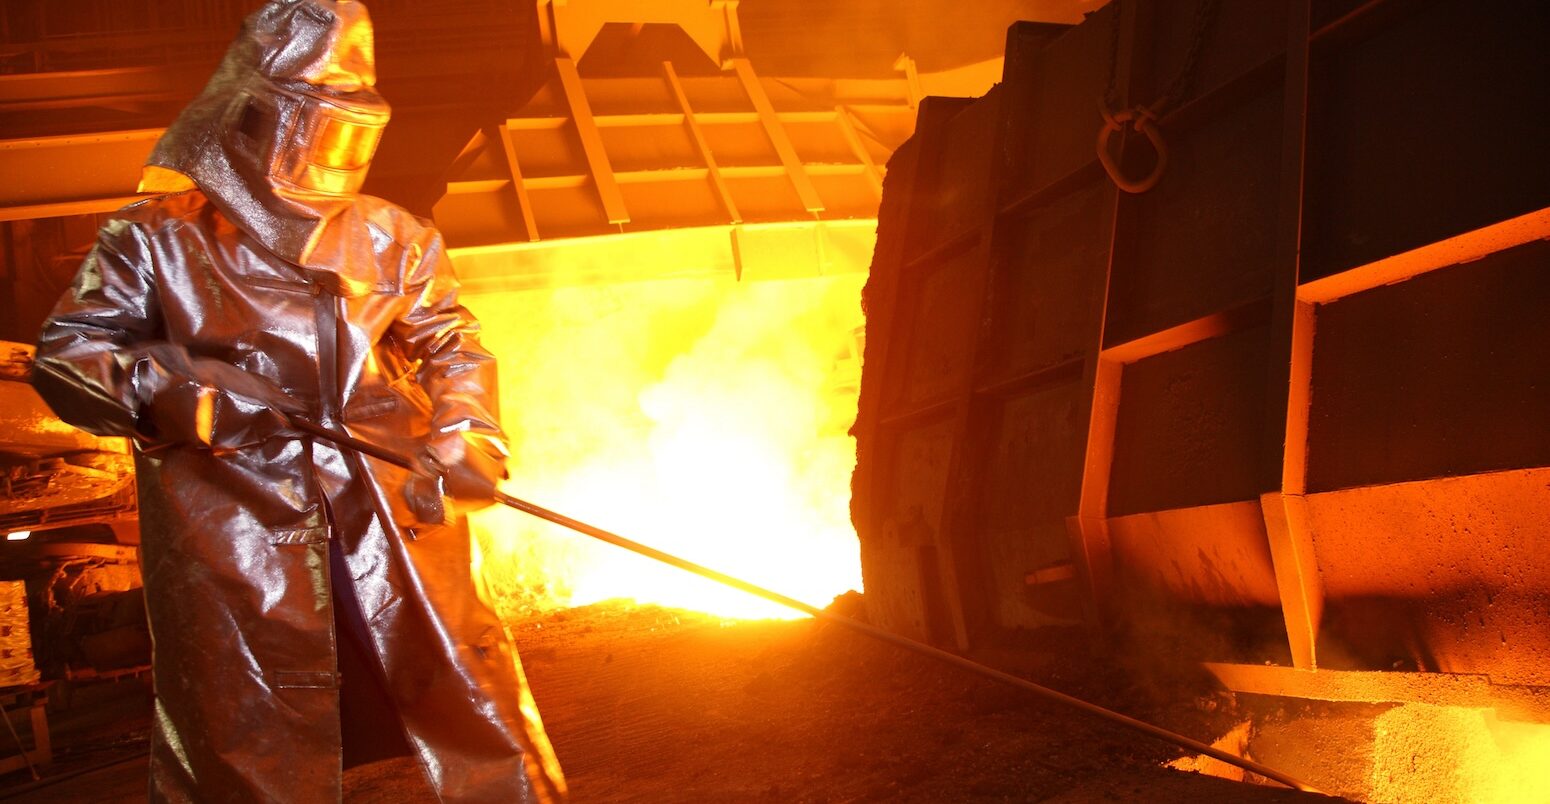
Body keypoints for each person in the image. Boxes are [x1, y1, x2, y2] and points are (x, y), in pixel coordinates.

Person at [30, 1, 565, 801]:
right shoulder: (153, 238)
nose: (326, 158)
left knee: (472, 708)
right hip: (237, 531)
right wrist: (199, 402)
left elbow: (454, 343)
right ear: (249, 117)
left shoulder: (393, 234)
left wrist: (465, 436)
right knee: (250, 739)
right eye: (312, 125)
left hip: (390, 515)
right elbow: (69, 358)